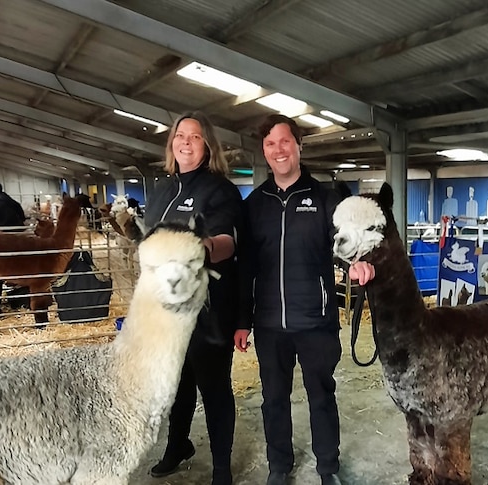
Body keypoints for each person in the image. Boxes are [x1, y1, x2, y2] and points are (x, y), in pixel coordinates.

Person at [235, 114, 374, 485]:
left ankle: (328, 467)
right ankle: (279, 465)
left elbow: (343, 241)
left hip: (316, 320)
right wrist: (241, 320)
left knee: (321, 396)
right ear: (264, 152)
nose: (278, 150)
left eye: (284, 141)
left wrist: (357, 262)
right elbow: (245, 265)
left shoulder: (325, 198)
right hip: (269, 323)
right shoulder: (255, 205)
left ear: (299, 146)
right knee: (273, 399)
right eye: (270, 144)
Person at [144, 111, 243, 485]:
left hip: (208, 310)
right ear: (172, 143)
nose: (186, 141)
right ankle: (178, 444)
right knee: (176, 382)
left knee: (214, 386)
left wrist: (203, 246)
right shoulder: (161, 190)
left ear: (208, 146)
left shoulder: (220, 190)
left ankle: (221, 466)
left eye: (195, 136)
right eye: (180, 135)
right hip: (166, 310)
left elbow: (227, 242)